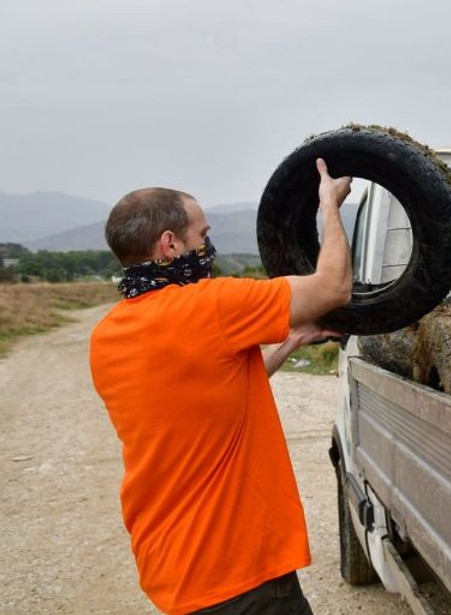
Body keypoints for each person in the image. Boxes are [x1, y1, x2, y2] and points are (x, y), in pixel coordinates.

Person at [90, 158, 353, 615]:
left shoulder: (107, 336)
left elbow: (209, 395)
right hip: (241, 573)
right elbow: (333, 288)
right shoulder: (211, 305)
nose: (208, 246)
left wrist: (290, 342)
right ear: (170, 244)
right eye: (203, 235)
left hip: (175, 572)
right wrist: (328, 206)